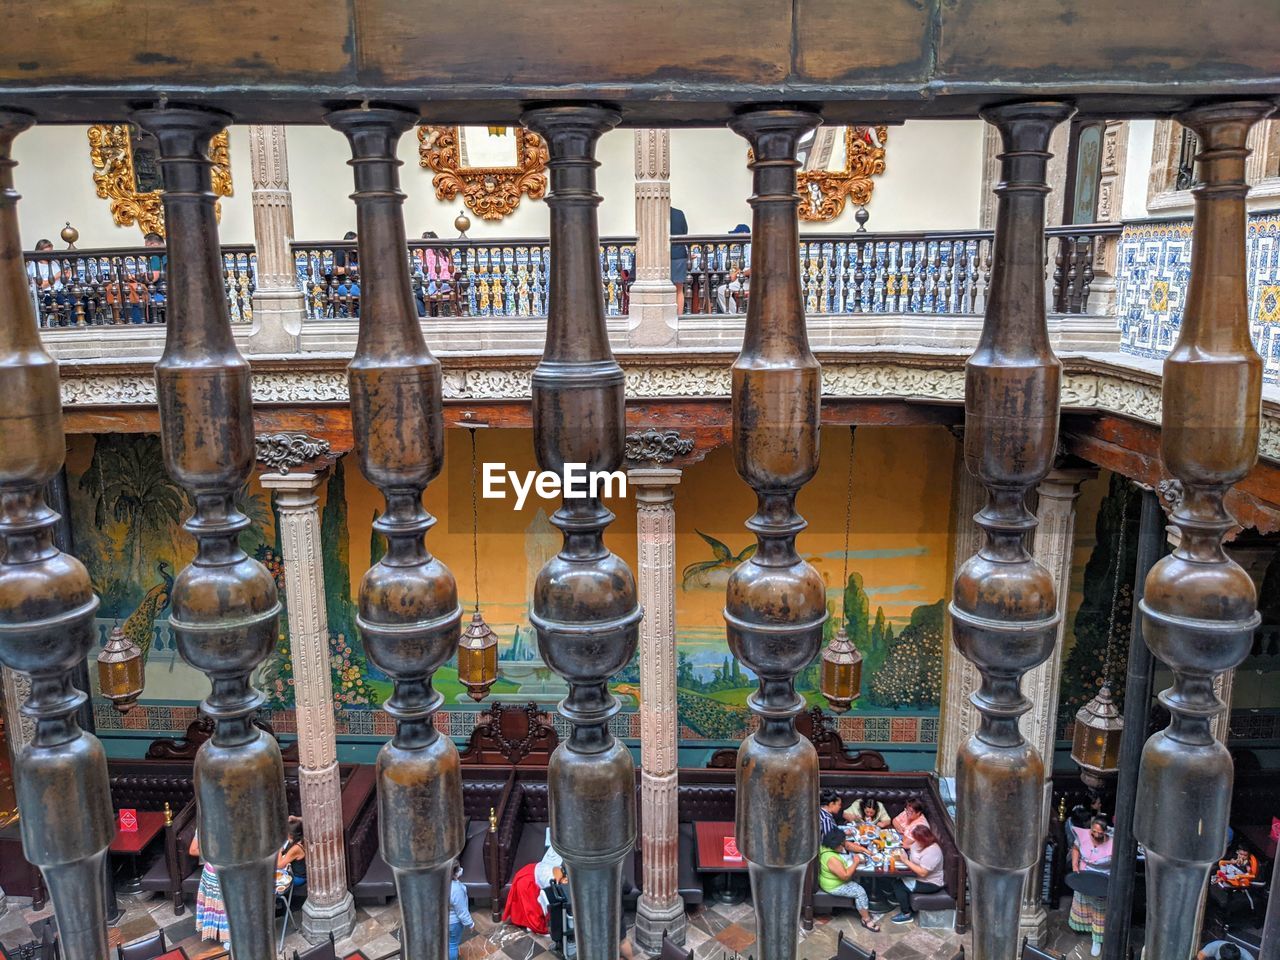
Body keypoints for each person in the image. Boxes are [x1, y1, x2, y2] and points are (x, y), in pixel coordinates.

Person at [816, 828, 881, 932]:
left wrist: (865, 851)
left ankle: (860, 906)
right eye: (841, 844)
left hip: (836, 878)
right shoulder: (831, 858)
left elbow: (848, 845)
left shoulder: (829, 844)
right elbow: (845, 876)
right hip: (834, 885)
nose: (844, 846)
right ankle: (866, 920)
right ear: (836, 845)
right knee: (860, 892)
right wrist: (856, 862)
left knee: (861, 878)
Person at [1068, 816, 1113, 956]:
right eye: (1094, 831)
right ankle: (1087, 928)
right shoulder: (1083, 837)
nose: (1096, 835)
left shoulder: (1113, 843)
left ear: (1105, 832)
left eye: (1100, 833)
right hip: (1085, 875)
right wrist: (1075, 864)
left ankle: (1096, 939)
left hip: (1102, 879)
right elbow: (1076, 848)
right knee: (1084, 904)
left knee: (1100, 911)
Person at [502, 841, 566, 935]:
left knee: (529, 909)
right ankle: (535, 928)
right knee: (532, 912)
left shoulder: (558, 847)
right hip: (529, 881)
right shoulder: (556, 874)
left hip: (533, 873)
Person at [887, 824, 946, 925]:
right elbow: (911, 847)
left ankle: (906, 914)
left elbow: (923, 873)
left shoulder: (933, 851)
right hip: (917, 876)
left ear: (924, 839)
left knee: (899, 885)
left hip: (930, 883)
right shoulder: (920, 843)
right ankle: (899, 898)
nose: (915, 841)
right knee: (894, 877)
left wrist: (906, 861)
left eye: (917, 839)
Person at [188, 831, 230, 944]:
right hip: (215, 874)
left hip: (226, 871)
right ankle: (227, 938)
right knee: (226, 906)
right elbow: (192, 850)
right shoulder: (204, 826)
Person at [448, 859, 475, 960]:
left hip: (441, 921)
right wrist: (470, 923)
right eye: (458, 869)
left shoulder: (438, 884)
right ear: (454, 873)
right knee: (453, 945)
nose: (461, 870)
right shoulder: (456, 890)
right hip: (454, 923)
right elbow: (461, 911)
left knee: (446, 942)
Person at [275, 815, 306, 895]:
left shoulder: (296, 848)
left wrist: (279, 849)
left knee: (272, 879)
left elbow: (279, 865)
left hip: (299, 878)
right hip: (301, 873)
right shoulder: (303, 839)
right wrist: (296, 819)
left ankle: (279, 901)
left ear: (292, 835)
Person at [670, 206, 688, 314]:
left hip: (662, 255)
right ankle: (679, 316)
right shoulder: (679, 213)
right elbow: (684, 232)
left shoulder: (656, 213)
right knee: (679, 290)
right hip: (679, 254)